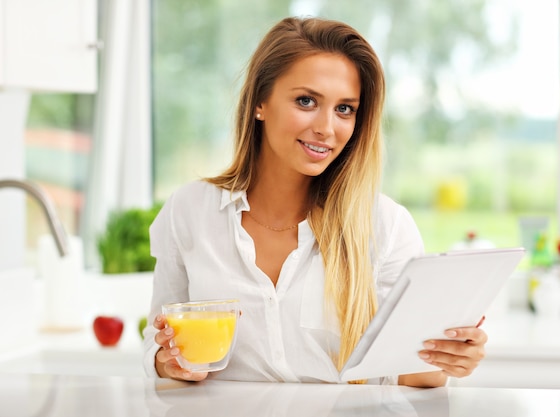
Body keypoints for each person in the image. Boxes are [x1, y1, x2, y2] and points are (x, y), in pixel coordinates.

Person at [143, 16, 487, 387]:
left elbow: (408, 370)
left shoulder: (384, 226)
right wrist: (167, 362)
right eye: (306, 101)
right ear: (261, 102)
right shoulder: (189, 211)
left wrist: (449, 358)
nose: (327, 127)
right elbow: (158, 340)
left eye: (345, 109)